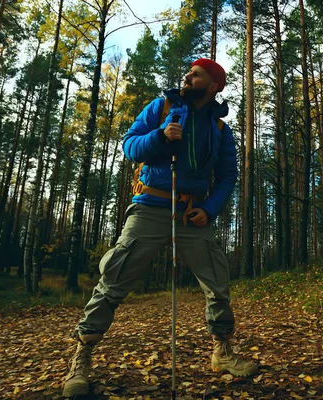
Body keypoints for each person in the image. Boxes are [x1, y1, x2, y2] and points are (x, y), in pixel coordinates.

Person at [62, 58, 258, 397]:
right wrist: (159, 136)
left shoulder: (222, 130)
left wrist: (209, 210)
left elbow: (227, 177)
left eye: (196, 75)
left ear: (214, 86)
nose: (188, 76)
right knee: (113, 280)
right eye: (189, 72)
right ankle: (83, 356)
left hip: (192, 214)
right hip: (150, 206)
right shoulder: (161, 106)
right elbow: (129, 146)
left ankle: (223, 352)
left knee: (218, 282)